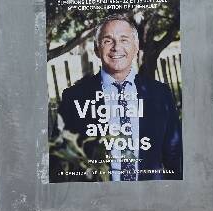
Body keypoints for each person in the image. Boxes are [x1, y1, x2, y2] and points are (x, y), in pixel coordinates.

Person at [54, 15, 182, 182]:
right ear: (97, 49)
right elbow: (60, 160)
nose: (116, 47)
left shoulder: (160, 94)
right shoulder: (74, 97)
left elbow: (174, 154)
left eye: (124, 40)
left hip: (151, 194)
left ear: (136, 47)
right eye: (108, 41)